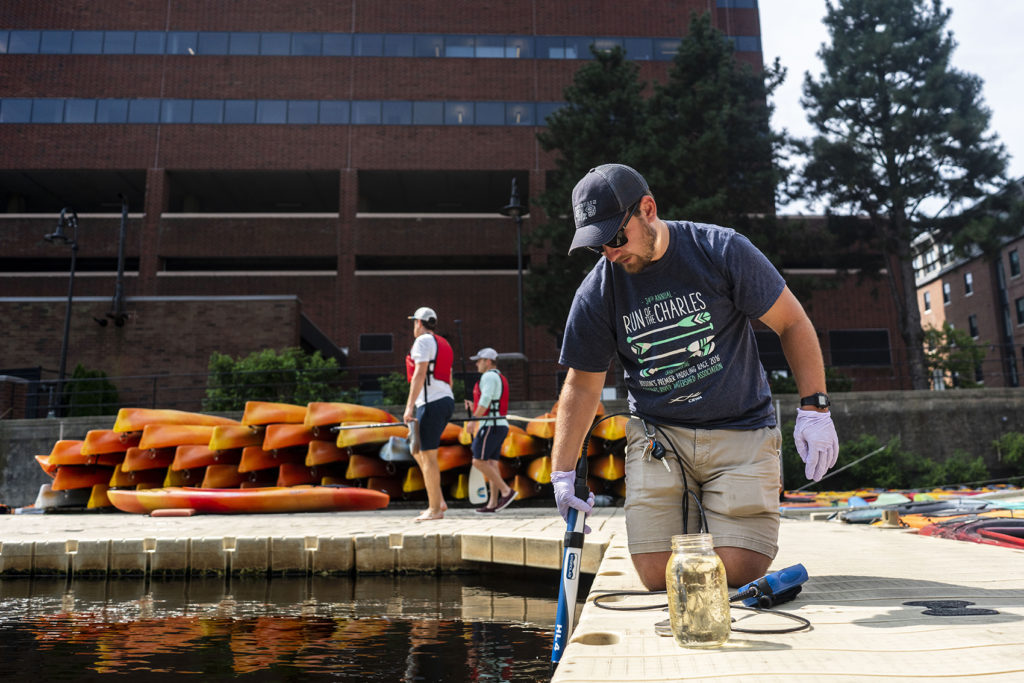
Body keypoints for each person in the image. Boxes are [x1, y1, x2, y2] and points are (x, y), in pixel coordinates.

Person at [550, 163, 839, 590]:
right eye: (599, 247)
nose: (610, 253)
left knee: (736, 571)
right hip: (659, 440)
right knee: (657, 576)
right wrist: (560, 473)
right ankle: (699, 525)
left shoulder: (720, 250)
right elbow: (582, 383)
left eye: (615, 237)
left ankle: (725, 528)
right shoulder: (599, 290)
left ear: (647, 209)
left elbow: (792, 323)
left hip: (740, 431)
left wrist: (815, 408)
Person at [404, 306, 456, 522]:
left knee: (428, 455)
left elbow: (419, 374)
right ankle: (439, 500)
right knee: (417, 450)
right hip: (445, 400)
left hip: (431, 402)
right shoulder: (444, 344)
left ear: (418, 322)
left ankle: (435, 509)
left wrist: (409, 407)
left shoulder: (422, 341)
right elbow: (449, 377)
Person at [463, 347, 517, 514]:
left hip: (490, 426)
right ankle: (492, 503)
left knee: (478, 461)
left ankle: (506, 491)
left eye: (478, 361)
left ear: (487, 362)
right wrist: (475, 408)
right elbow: (489, 401)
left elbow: (486, 400)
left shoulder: (488, 376)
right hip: (499, 425)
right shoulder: (498, 377)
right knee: (491, 463)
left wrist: (473, 421)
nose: (476, 364)